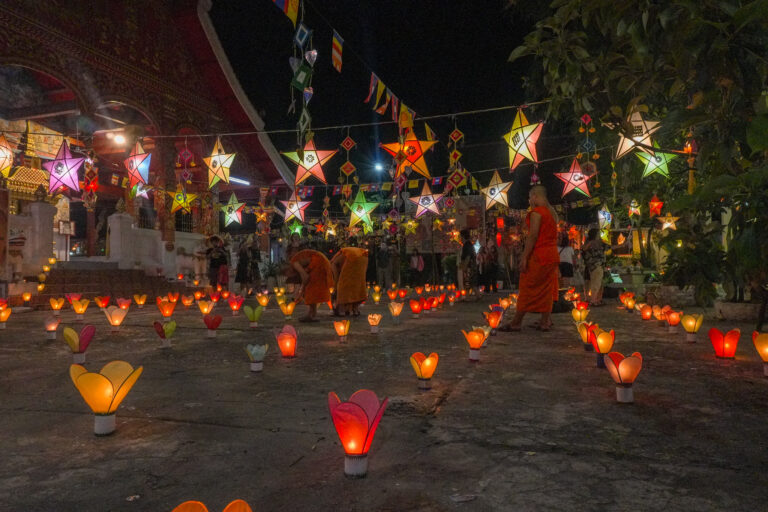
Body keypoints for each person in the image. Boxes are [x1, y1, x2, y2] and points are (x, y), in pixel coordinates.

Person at [500, 185, 559, 331]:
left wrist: (525, 256)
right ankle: (545, 322)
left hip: (539, 254)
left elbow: (533, 236)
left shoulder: (537, 213)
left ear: (534, 196)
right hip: (552, 254)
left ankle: (516, 322)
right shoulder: (552, 214)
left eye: (530, 197)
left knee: (527, 286)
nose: (529, 200)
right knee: (546, 288)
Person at [289, 249, 334, 322]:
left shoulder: (294, 263)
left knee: (311, 289)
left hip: (318, 262)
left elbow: (305, 277)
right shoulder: (297, 261)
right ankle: (312, 314)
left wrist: (301, 292)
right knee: (313, 288)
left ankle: (311, 314)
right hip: (321, 260)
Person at [331, 245, 369, 316]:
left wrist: (336, 288)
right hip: (363, 256)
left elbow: (336, 277)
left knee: (343, 286)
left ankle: (344, 309)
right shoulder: (340, 258)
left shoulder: (333, 263)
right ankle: (355, 309)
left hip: (353, 257)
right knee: (356, 285)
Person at [582, 228, 607, 306]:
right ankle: (593, 300)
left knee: (596, 282)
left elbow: (610, 247)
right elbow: (584, 249)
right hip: (595, 265)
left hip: (595, 265)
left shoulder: (598, 243)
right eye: (598, 233)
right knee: (596, 283)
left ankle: (595, 299)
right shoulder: (593, 243)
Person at [459, 229, 478, 297]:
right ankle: (475, 295)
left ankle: (467, 296)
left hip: (469, 265)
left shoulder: (467, 245)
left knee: (468, 281)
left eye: (460, 236)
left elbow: (468, 256)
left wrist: (464, 265)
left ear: (463, 236)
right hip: (471, 264)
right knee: (471, 282)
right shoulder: (468, 244)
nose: (460, 238)